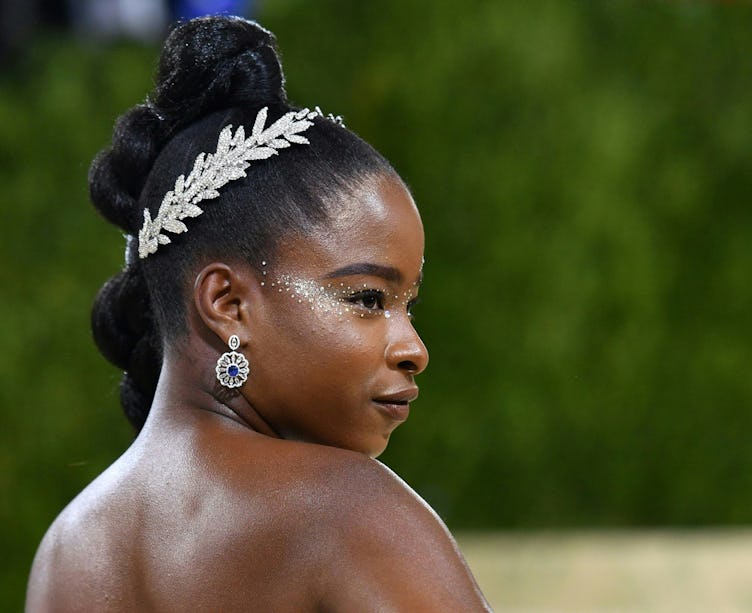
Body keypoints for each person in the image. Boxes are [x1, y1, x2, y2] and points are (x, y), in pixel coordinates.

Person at [26, 15, 491, 611]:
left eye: (408, 307)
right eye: (367, 299)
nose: (413, 349)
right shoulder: (349, 512)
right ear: (227, 304)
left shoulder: (66, 549)